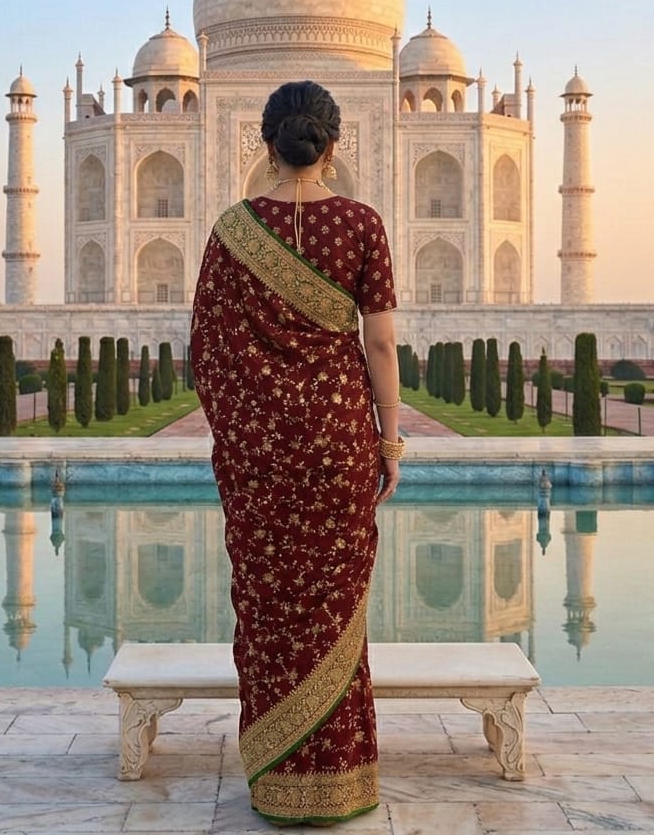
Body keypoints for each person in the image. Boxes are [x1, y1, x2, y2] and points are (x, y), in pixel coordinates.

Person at [190, 80, 403, 827]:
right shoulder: (363, 225)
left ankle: (278, 782)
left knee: (274, 608)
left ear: (264, 141)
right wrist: (389, 440)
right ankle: (339, 778)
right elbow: (378, 344)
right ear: (335, 144)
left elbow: (206, 356)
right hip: (341, 446)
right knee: (336, 609)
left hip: (264, 459)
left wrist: (249, 428)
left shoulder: (232, 231)